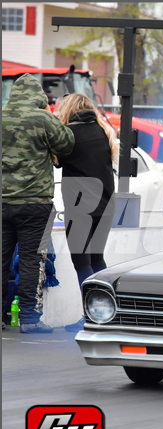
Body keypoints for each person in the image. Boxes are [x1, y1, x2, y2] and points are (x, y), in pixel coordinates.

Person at [2, 73, 74, 333]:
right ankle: (30, 319)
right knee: (32, 260)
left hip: (2, 202)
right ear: (38, 96)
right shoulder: (43, 118)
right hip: (36, 205)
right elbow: (67, 144)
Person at [54, 93, 118, 287]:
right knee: (97, 259)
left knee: (82, 264)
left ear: (67, 109)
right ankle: (105, 304)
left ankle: (91, 304)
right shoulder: (104, 130)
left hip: (79, 210)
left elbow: (56, 161)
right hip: (106, 207)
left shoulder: (68, 135)